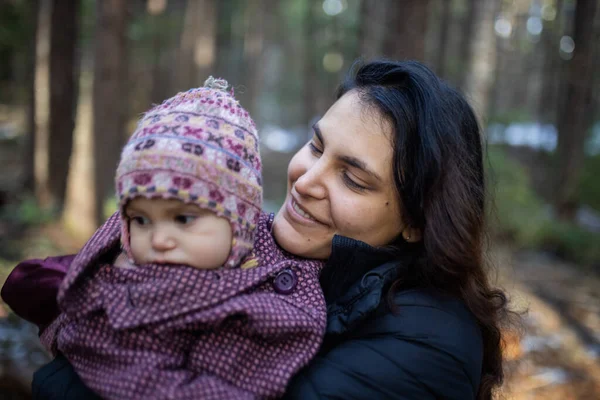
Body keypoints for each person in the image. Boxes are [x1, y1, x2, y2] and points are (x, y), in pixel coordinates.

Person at [3, 60, 512, 399]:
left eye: (353, 178)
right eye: (315, 147)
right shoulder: (263, 247)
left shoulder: (432, 341)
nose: (306, 180)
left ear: (420, 222)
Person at [2, 77, 327, 399]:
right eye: (140, 220)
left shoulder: (273, 280)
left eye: (183, 218)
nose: (158, 239)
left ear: (239, 223)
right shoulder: (113, 291)